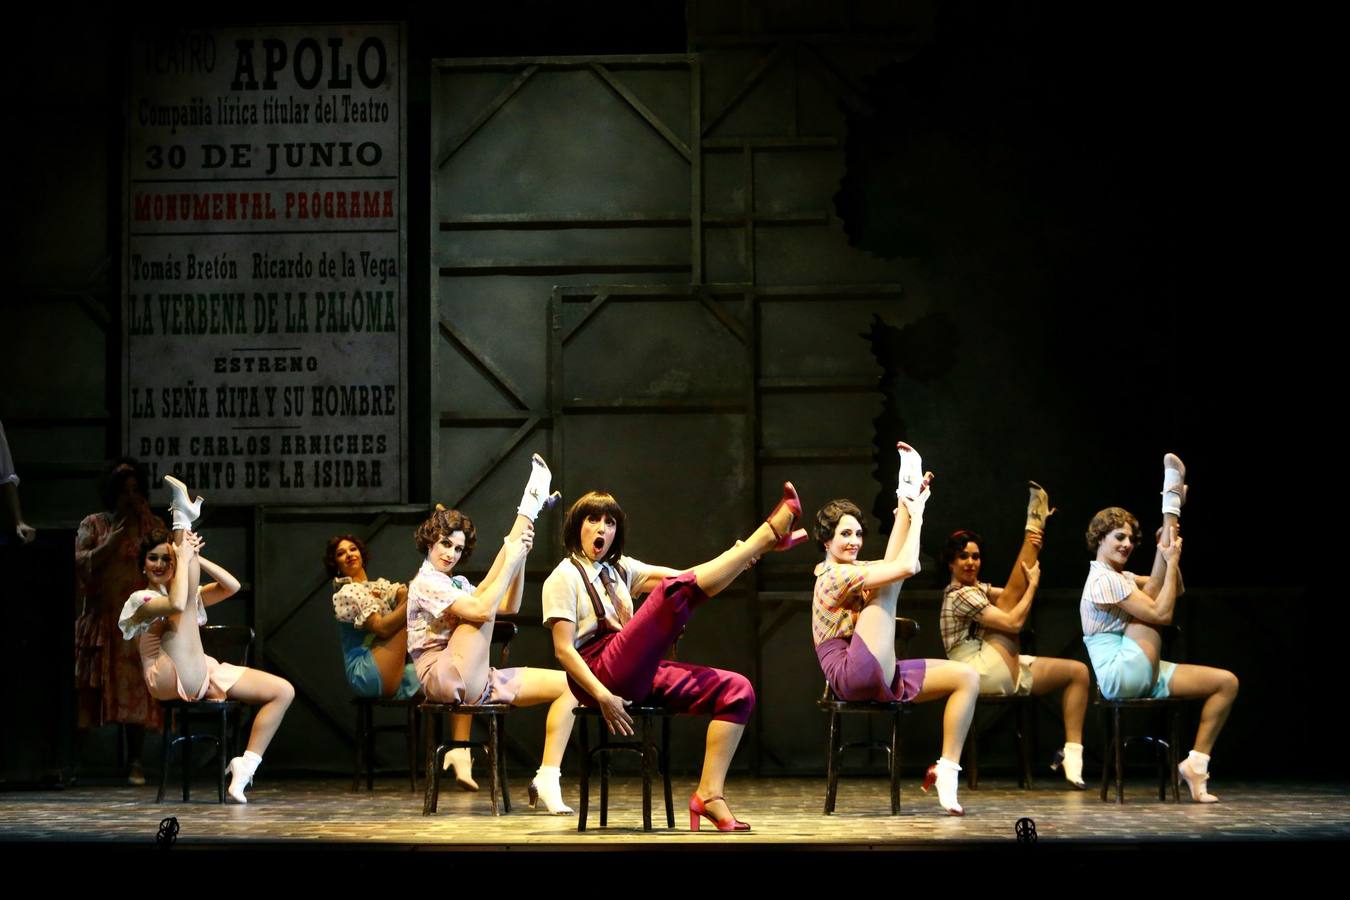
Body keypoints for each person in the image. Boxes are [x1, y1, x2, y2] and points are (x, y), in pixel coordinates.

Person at [543, 482, 808, 832]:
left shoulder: (619, 568)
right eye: (593, 520)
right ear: (577, 525)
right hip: (597, 671)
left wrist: (741, 558)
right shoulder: (563, 577)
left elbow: (691, 580)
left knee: (737, 690)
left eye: (610, 522)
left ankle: (709, 796)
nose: (602, 529)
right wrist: (602, 695)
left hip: (634, 669)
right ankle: (767, 532)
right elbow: (563, 650)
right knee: (671, 593)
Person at [811, 442, 979, 815]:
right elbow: (905, 567)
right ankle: (905, 494)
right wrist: (914, 517)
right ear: (826, 540)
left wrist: (909, 506)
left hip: (875, 667)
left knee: (967, 676)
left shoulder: (854, 570)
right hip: (850, 673)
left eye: (858, 534)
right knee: (889, 584)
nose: (854, 541)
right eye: (845, 535)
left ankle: (947, 770)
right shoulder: (834, 574)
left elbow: (892, 562)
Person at [407, 454, 578, 814]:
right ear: (429, 543)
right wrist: (511, 555)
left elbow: (508, 604)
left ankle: (547, 777)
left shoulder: (455, 583)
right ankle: (528, 506)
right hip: (441, 676)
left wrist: (522, 556)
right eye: (444, 545)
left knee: (570, 686)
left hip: (476, 677)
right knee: (482, 602)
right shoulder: (424, 583)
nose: (451, 554)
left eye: (457, 548)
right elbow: (484, 610)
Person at [118, 477, 294, 802]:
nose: (159, 564)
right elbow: (174, 604)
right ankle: (181, 518)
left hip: (201, 669)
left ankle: (245, 766)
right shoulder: (140, 599)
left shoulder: (187, 587)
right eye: (153, 558)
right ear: (142, 564)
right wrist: (182, 556)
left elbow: (232, 586)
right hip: (167, 674)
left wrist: (193, 554)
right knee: (182, 606)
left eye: (166, 559)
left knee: (282, 691)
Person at [1081, 453, 1238, 802]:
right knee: (1150, 611)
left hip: (1139, 664)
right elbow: (1161, 613)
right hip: (1120, 673)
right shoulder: (1102, 580)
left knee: (1225, 683)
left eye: (1131, 540)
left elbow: (1163, 587)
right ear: (1100, 539)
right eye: (1118, 537)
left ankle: (1197, 763)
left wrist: (1165, 553)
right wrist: (1169, 553)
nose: (1126, 544)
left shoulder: (1119, 577)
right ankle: (1171, 503)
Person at [940, 481, 1091, 788]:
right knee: (1010, 606)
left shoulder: (977, 589)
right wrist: (1033, 585)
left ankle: (1073, 754)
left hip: (998, 664)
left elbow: (1010, 591)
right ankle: (1033, 525)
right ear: (951, 562)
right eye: (964, 557)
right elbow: (1012, 623)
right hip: (975, 669)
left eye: (976, 556)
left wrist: (1023, 585)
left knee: (1077, 672)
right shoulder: (958, 595)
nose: (971, 562)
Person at [74, 457, 167, 783]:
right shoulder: (94, 525)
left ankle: (136, 762)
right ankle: (74, 763)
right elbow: (81, 563)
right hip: (103, 620)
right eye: (123, 490)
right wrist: (112, 540)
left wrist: (144, 523)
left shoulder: (150, 525)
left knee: (137, 692)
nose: (129, 496)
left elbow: (168, 561)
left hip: (137, 622)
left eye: (135, 489)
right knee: (89, 692)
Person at [327, 534, 419, 700]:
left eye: (353, 549)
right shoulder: (347, 592)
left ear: (361, 554)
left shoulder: (378, 587)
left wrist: (412, 593)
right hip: (366, 672)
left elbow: (403, 594)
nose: (349, 554)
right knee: (414, 605)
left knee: (447, 677)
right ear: (337, 565)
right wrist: (418, 590)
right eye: (341, 553)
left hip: (395, 668)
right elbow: (381, 629)